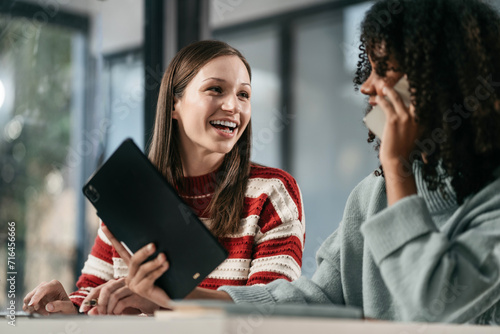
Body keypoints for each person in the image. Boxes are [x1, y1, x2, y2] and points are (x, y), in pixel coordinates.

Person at [107, 0, 500, 324]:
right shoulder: (371, 195)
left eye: (386, 70)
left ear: (442, 81)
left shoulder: (487, 201)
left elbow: (432, 306)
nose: (366, 86)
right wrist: (184, 297)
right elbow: (318, 299)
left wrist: (396, 167)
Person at [22, 40, 305, 315]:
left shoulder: (272, 193)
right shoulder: (131, 194)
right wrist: (68, 308)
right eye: (216, 89)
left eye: (244, 94)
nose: (233, 106)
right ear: (173, 105)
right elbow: (93, 295)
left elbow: (271, 313)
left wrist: (166, 302)